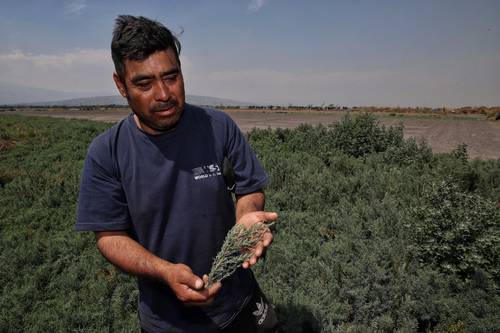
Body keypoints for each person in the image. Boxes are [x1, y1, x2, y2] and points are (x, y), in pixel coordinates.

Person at [75, 15, 279, 333]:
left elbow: (248, 188)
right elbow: (110, 237)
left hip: (239, 303)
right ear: (120, 85)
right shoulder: (106, 152)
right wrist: (164, 271)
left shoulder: (218, 126)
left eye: (172, 77)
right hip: (165, 322)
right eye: (144, 83)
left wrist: (246, 217)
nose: (164, 94)